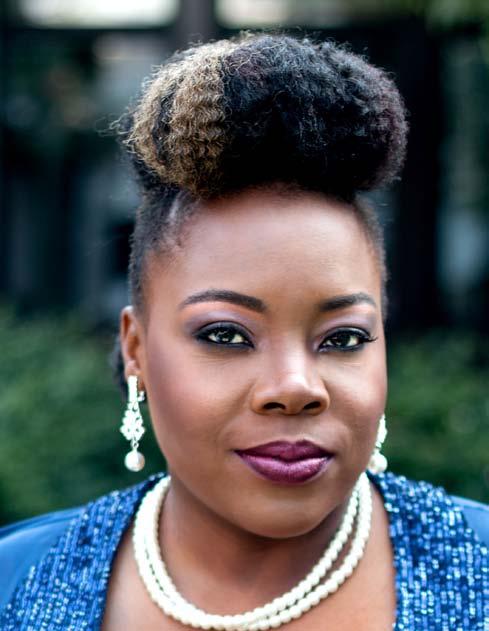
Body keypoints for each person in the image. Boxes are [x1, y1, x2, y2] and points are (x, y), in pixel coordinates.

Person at [0, 33, 487, 631]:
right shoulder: (14, 585)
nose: (295, 387)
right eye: (227, 335)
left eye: (343, 339)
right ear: (135, 351)